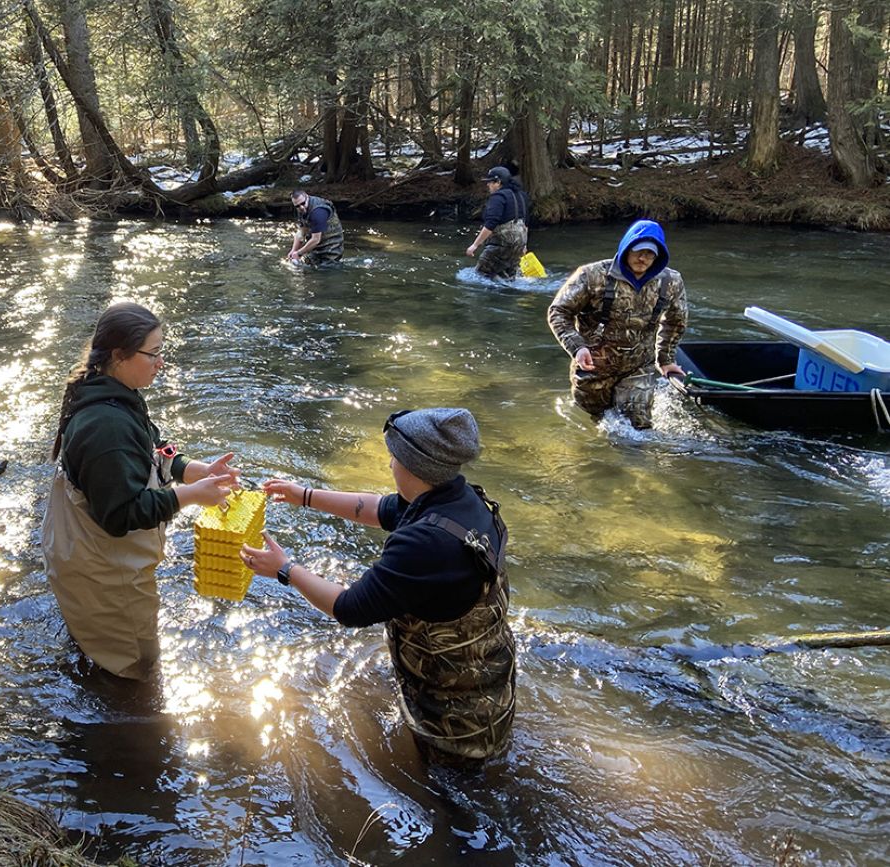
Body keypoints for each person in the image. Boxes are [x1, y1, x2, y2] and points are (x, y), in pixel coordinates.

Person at [241, 408, 515, 763]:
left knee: (450, 798)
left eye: (395, 457)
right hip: (491, 690)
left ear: (416, 467)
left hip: (454, 727)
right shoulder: (462, 501)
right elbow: (379, 508)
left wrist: (284, 569)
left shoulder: (424, 544)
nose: (389, 465)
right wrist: (304, 495)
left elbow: (349, 608)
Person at [41, 302, 239, 681]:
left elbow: (151, 448)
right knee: (136, 672)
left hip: (82, 560)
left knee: (98, 654)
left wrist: (191, 470)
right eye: (154, 353)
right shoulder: (106, 427)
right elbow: (122, 515)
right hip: (104, 574)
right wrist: (193, 495)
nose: (161, 363)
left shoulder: (109, 391)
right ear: (120, 355)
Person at [547, 219, 689, 429]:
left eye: (650, 254)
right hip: (593, 367)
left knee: (636, 427)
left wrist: (665, 359)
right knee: (597, 422)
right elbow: (558, 312)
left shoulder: (670, 281)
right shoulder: (592, 275)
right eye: (638, 251)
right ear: (626, 249)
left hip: (638, 367)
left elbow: (676, 321)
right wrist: (577, 348)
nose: (643, 258)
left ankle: (640, 460)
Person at [464, 166, 530, 278]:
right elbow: (525, 222)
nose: (487, 185)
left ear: (498, 182)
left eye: (490, 182)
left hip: (501, 245)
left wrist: (475, 245)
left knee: (480, 275)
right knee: (510, 277)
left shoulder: (498, 197)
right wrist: (524, 246)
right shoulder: (521, 196)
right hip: (519, 245)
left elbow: (491, 224)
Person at [287, 189, 344, 266]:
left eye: (303, 203)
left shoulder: (318, 212)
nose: (301, 207)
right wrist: (293, 251)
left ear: (307, 197)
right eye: (297, 206)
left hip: (332, 248)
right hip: (316, 248)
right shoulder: (301, 209)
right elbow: (301, 232)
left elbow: (315, 240)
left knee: (324, 271)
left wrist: (299, 253)